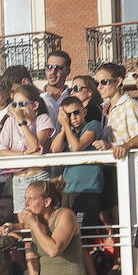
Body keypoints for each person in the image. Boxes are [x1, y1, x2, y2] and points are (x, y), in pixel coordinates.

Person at [0, 84, 54, 212]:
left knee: (43, 218)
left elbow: (35, 146)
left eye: (22, 104)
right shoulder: (10, 122)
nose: (17, 109)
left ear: (35, 105)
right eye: (14, 105)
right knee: (23, 218)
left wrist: (22, 122)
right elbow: (1, 151)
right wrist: (24, 153)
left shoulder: (43, 119)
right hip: (19, 178)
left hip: (39, 177)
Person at [50, 95, 105, 231]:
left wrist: (66, 127)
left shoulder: (93, 125)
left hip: (89, 189)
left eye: (76, 112)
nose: (73, 117)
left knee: (84, 232)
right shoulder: (68, 132)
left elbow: (77, 147)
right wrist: (64, 127)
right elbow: (54, 149)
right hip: (68, 189)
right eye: (68, 115)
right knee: (67, 231)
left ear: (84, 112)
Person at [97, 62, 138, 150]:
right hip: (109, 162)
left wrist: (110, 146)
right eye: (97, 83)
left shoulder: (131, 106)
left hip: (128, 163)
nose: (99, 87)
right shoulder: (105, 108)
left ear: (118, 81)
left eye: (104, 82)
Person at [39, 51, 72, 116]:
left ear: (67, 71)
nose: (53, 72)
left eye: (58, 68)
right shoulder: (38, 97)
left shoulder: (73, 96)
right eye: (49, 67)